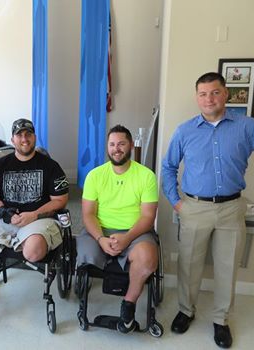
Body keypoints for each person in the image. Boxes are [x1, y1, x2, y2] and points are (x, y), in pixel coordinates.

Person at [162, 72, 254, 348]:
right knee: (189, 265)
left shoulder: (248, 127)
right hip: (194, 207)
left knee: (227, 266)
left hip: (232, 208)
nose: (209, 98)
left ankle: (221, 320)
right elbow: (168, 168)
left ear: (226, 93)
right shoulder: (184, 131)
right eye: (203, 93)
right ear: (197, 97)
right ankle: (186, 311)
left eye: (215, 92)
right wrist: (177, 202)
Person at [76, 124, 159, 334]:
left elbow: (148, 217)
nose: (116, 148)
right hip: (99, 230)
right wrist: (101, 239)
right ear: (107, 147)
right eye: (112, 144)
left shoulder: (146, 176)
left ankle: (128, 306)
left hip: (135, 231)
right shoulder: (95, 175)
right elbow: (88, 214)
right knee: (83, 252)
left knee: (148, 258)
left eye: (121, 143)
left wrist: (127, 237)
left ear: (130, 145)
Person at [0, 118, 69, 262]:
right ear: (12, 139)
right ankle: (20, 240)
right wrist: (5, 213)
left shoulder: (52, 166)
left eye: (28, 134)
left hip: (39, 221)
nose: (24, 139)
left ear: (34, 137)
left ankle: (20, 240)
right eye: (19, 135)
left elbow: (61, 200)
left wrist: (34, 215)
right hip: (7, 220)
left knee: (33, 252)